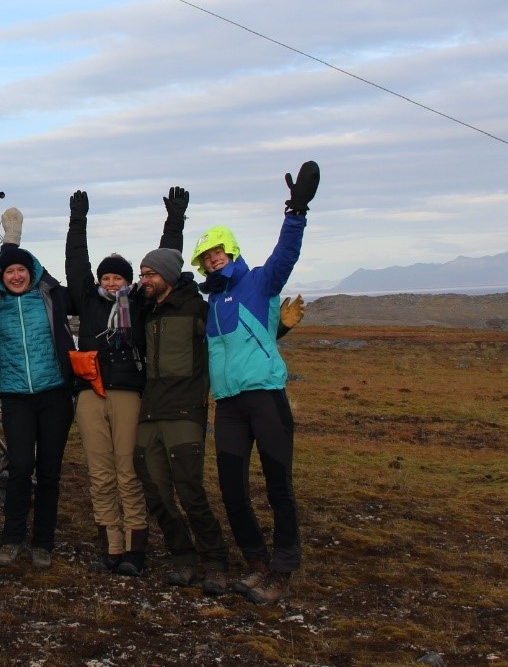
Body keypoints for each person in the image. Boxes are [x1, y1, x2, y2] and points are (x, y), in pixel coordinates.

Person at [192, 161, 319, 605]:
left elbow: (286, 255)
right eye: (207, 257)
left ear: (230, 249)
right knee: (231, 487)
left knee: (278, 483)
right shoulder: (210, 303)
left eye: (217, 252)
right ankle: (256, 563)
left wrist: (296, 211)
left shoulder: (259, 283)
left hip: (265, 397)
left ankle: (282, 570)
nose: (213, 260)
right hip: (227, 404)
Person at [65, 186, 188, 576]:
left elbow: (166, 264)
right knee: (99, 473)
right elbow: (75, 261)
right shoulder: (87, 299)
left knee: (128, 472)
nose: (112, 282)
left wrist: (175, 222)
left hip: (128, 394)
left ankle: (135, 550)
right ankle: (110, 547)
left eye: (119, 276)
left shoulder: (140, 301)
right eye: (107, 276)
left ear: (130, 280)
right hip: (89, 394)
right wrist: (78, 221)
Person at [0, 208, 75, 570]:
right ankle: (12, 538)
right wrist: (9, 244)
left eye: (22, 269)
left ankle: (43, 542)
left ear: (33, 271)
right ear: (0, 275)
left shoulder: (51, 295)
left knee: (49, 471)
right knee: (20, 467)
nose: (16, 275)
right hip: (15, 395)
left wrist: (17, 247)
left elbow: (67, 278)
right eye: (9, 270)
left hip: (54, 395)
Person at [132, 244, 229, 596]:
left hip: (186, 411)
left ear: (168, 276)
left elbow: (232, 335)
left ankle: (215, 560)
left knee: (188, 487)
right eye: (142, 275)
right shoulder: (148, 311)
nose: (145, 280)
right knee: (154, 487)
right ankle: (182, 554)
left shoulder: (197, 309)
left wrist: (278, 327)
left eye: (151, 274)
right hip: (151, 410)